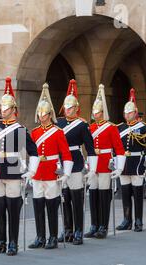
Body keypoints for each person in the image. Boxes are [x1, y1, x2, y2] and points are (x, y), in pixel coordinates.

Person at [0, 77, 39, 256]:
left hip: (13, 170)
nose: (3, 110)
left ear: (14, 110)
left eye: (7, 108)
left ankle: (13, 242)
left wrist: (31, 171)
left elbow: (33, 151)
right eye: (2, 107)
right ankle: (0, 240)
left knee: (13, 209)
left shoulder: (20, 129)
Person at [29, 83, 73, 250]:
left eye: (44, 114)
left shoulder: (57, 132)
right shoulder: (34, 132)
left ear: (50, 114)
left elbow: (66, 154)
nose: (42, 117)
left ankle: (53, 236)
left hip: (51, 172)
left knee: (51, 206)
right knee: (38, 206)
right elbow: (32, 154)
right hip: (38, 172)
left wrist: (66, 173)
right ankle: (40, 236)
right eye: (40, 114)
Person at [56, 79, 97, 245]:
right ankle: (67, 229)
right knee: (64, 197)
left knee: (76, 198)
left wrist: (92, 168)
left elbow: (90, 147)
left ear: (76, 108)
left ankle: (78, 229)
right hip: (61, 163)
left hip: (75, 162)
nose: (67, 110)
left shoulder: (82, 125)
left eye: (71, 107)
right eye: (66, 107)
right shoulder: (58, 123)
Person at [85, 84, 126, 239]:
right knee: (93, 194)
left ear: (103, 112)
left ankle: (103, 225)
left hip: (105, 164)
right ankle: (94, 224)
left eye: (98, 112)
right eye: (94, 112)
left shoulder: (111, 128)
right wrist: (88, 163)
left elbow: (119, 149)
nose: (96, 114)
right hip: (94, 164)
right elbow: (89, 148)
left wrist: (119, 167)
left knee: (103, 195)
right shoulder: (91, 127)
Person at [116, 88, 146, 232]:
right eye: (125, 113)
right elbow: (115, 148)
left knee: (138, 192)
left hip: (137, 162)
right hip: (124, 163)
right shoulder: (119, 128)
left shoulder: (144, 128)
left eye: (130, 113)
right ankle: (127, 219)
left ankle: (139, 220)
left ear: (135, 113)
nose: (127, 115)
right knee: (125, 192)